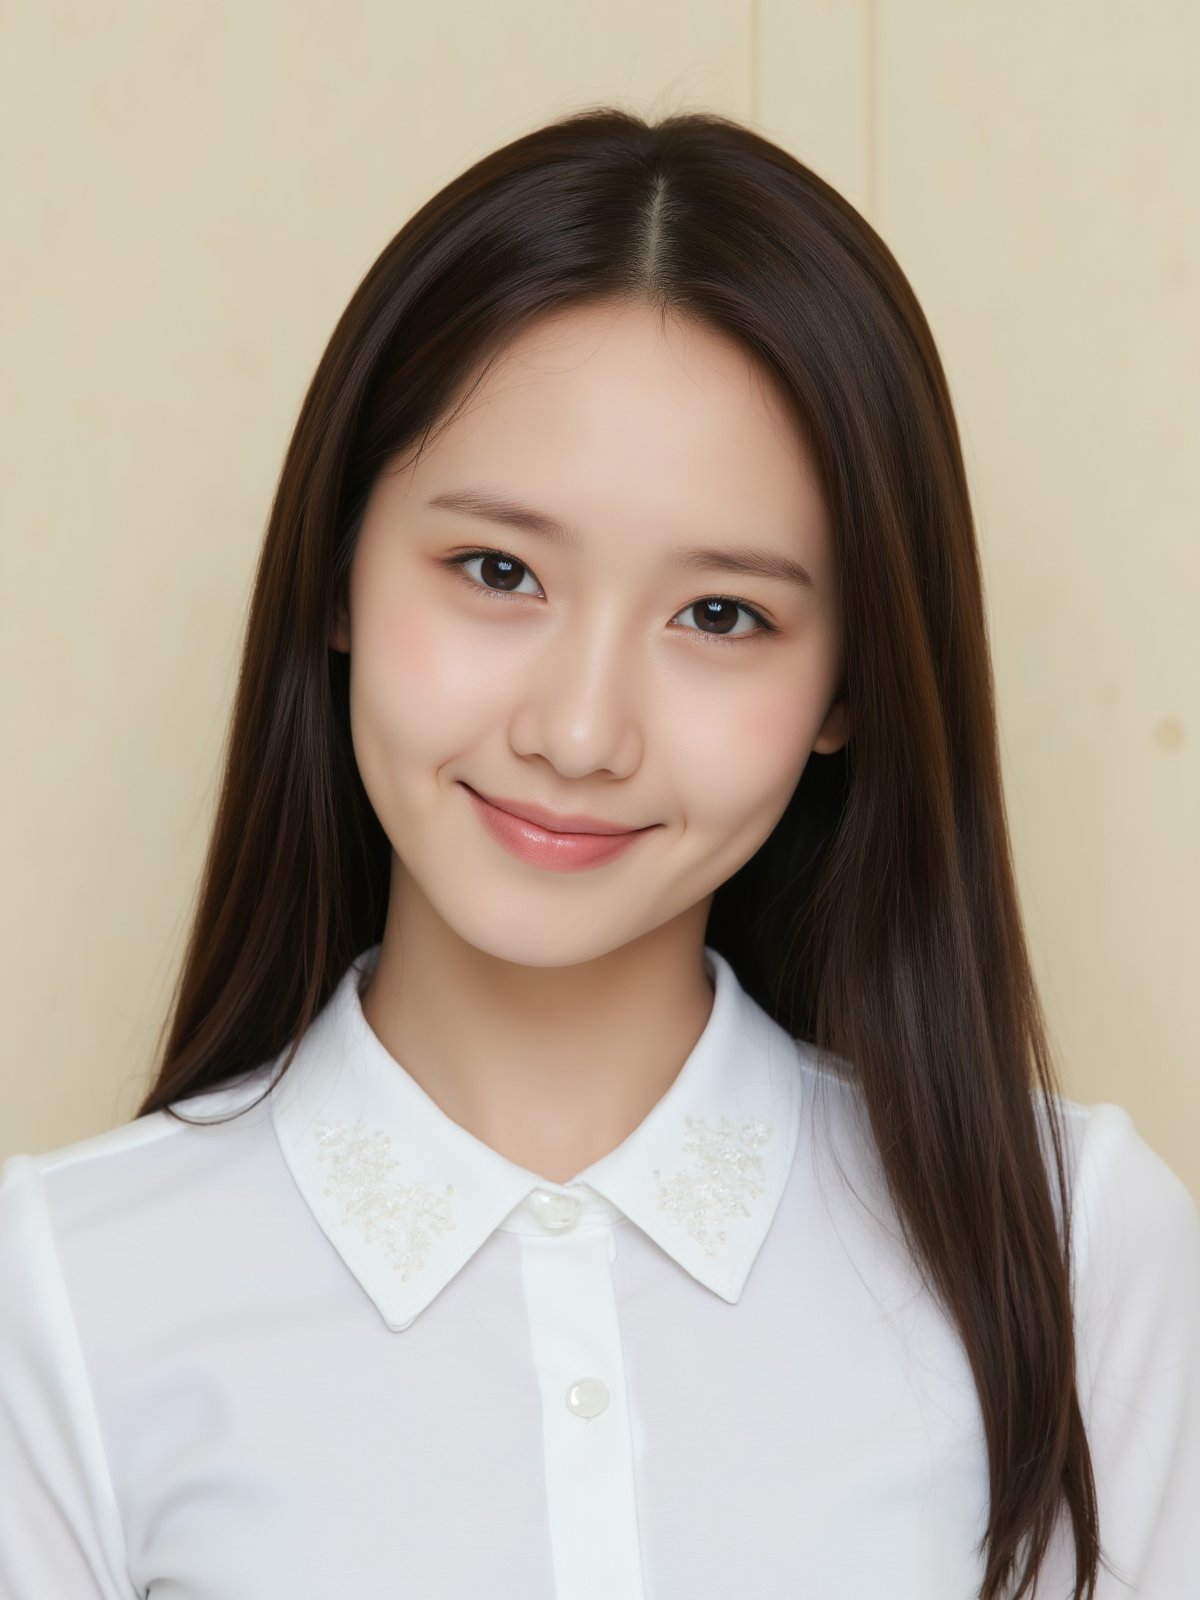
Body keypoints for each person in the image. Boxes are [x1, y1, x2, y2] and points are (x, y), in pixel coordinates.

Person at [0, 106, 1195, 1600]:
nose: (579, 732)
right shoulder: (59, 1296)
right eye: (497, 572)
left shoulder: (1083, 1254)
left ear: (847, 690)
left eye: (722, 616)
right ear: (335, 575)